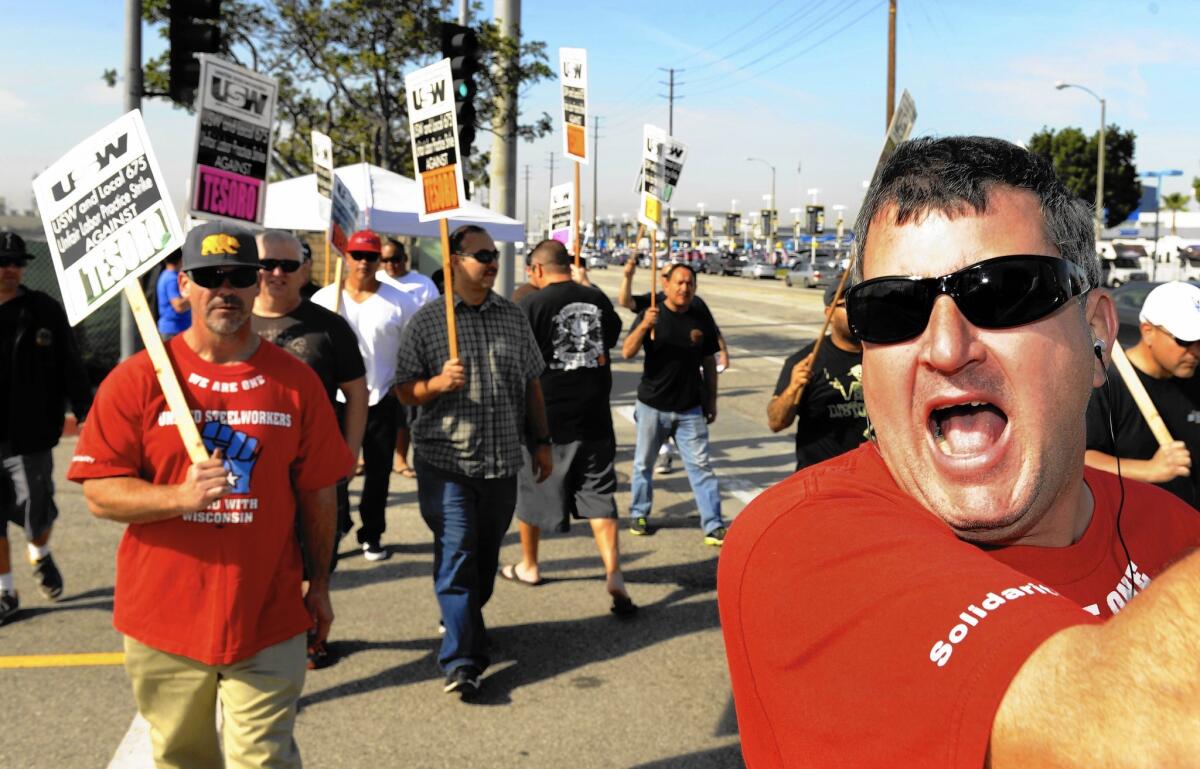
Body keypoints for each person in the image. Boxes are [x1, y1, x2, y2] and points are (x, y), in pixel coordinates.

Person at [718, 136, 1200, 768]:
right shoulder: (795, 542)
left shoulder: (1178, 532)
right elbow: (1122, 738)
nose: (946, 348)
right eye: (893, 307)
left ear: (1098, 334)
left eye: (1003, 291)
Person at [68, 221, 353, 769]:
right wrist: (177, 497)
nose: (225, 287)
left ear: (257, 286)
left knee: (264, 760)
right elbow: (100, 493)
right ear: (184, 286)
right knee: (182, 759)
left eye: (239, 275)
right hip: (164, 619)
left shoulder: (296, 383)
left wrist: (319, 585)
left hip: (267, 614)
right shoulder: (138, 380)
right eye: (209, 275)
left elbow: (320, 493)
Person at [395, 224, 551, 699]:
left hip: (501, 465)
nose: (490, 264)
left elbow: (531, 384)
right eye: (480, 255)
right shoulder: (426, 322)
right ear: (453, 261)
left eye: (494, 256)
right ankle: (463, 660)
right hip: (447, 464)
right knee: (459, 550)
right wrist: (435, 385)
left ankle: (461, 612)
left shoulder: (513, 316)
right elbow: (403, 390)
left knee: (480, 563)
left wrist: (541, 441)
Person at [252, 230, 368, 668]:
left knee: (316, 558)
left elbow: (356, 394)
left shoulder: (330, 327)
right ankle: (272, 635)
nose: (276, 273)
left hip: (315, 468)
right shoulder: (233, 320)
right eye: (267, 265)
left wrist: (350, 452)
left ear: (305, 270)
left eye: (287, 265)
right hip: (250, 469)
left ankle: (309, 633)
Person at [504, 240, 636, 615]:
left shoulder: (529, 304)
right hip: (594, 416)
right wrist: (589, 286)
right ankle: (614, 573)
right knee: (598, 495)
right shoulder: (594, 298)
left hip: (548, 418)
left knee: (532, 493)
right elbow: (611, 336)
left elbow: (516, 362)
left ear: (538, 269)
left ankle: (529, 564)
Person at [0, 231, 91, 624]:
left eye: (18, 262)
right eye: (4, 262)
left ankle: (39, 552)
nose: (11, 270)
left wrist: (89, 416)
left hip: (31, 435)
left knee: (37, 511)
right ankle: (5, 590)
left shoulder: (43, 311)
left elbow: (71, 367)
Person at [312, 230, 417, 561]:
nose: (364, 262)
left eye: (371, 257)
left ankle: (372, 533)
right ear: (346, 257)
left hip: (382, 397)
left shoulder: (400, 301)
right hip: (337, 402)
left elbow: (413, 348)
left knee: (378, 473)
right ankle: (337, 527)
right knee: (335, 473)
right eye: (357, 255)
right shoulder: (324, 300)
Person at [621, 261, 728, 545]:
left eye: (689, 283)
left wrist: (711, 401)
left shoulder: (699, 312)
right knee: (643, 464)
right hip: (652, 406)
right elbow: (627, 352)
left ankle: (713, 524)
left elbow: (708, 358)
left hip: (690, 408)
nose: (684, 288)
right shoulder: (652, 312)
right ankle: (639, 513)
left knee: (701, 467)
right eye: (679, 283)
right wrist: (644, 325)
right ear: (665, 285)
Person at [1085, 280, 1200, 507]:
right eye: (1184, 340)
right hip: (1135, 529)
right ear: (1148, 331)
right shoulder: (1106, 384)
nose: (1195, 351)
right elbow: (1083, 460)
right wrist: (1150, 470)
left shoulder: (1196, 377)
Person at [766, 276, 869, 470]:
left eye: (861, 302)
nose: (856, 310)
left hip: (873, 476)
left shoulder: (883, 357)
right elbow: (776, 422)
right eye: (846, 304)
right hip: (822, 476)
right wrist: (793, 387)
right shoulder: (805, 362)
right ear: (828, 312)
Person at [376, 238, 437, 478]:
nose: (391, 264)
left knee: (404, 414)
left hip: (410, 357)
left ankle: (400, 458)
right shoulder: (377, 281)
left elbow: (433, 318)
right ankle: (360, 458)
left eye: (396, 259)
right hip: (380, 356)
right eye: (385, 260)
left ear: (405, 259)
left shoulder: (423, 283)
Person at [155, 249, 190, 338]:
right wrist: (196, 296)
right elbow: (179, 306)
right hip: (173, 331)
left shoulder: (166, 275)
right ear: (181, 258)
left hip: (174, 329)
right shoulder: (172, 279)